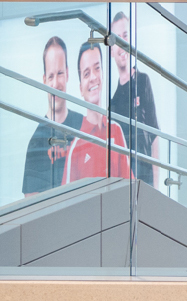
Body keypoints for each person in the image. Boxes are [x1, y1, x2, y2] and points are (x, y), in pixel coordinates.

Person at [62, 42, 132, 183]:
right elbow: (68, 201)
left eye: (97, 68)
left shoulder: (116, 131)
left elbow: (129, 186)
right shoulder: (76, 147)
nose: (93, 77)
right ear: (81, 87)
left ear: (103, 74)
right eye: (86, 74)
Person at [22, 37, 82, 195]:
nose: (55, 84)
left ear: (68, 73)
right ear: (44, 81)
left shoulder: (84, 126)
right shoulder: (36, 142)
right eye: (51, 76)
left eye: (60, 73)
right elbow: (30, 206)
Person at [108, 11, 158, 186]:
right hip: (122, 182)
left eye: (125, 36)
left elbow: (154, 135)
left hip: (145, 180)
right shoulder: (112, 101)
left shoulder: (142, 81)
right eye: (117, 38)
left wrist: (157, 187)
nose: (122, 43)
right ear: (111, 49)